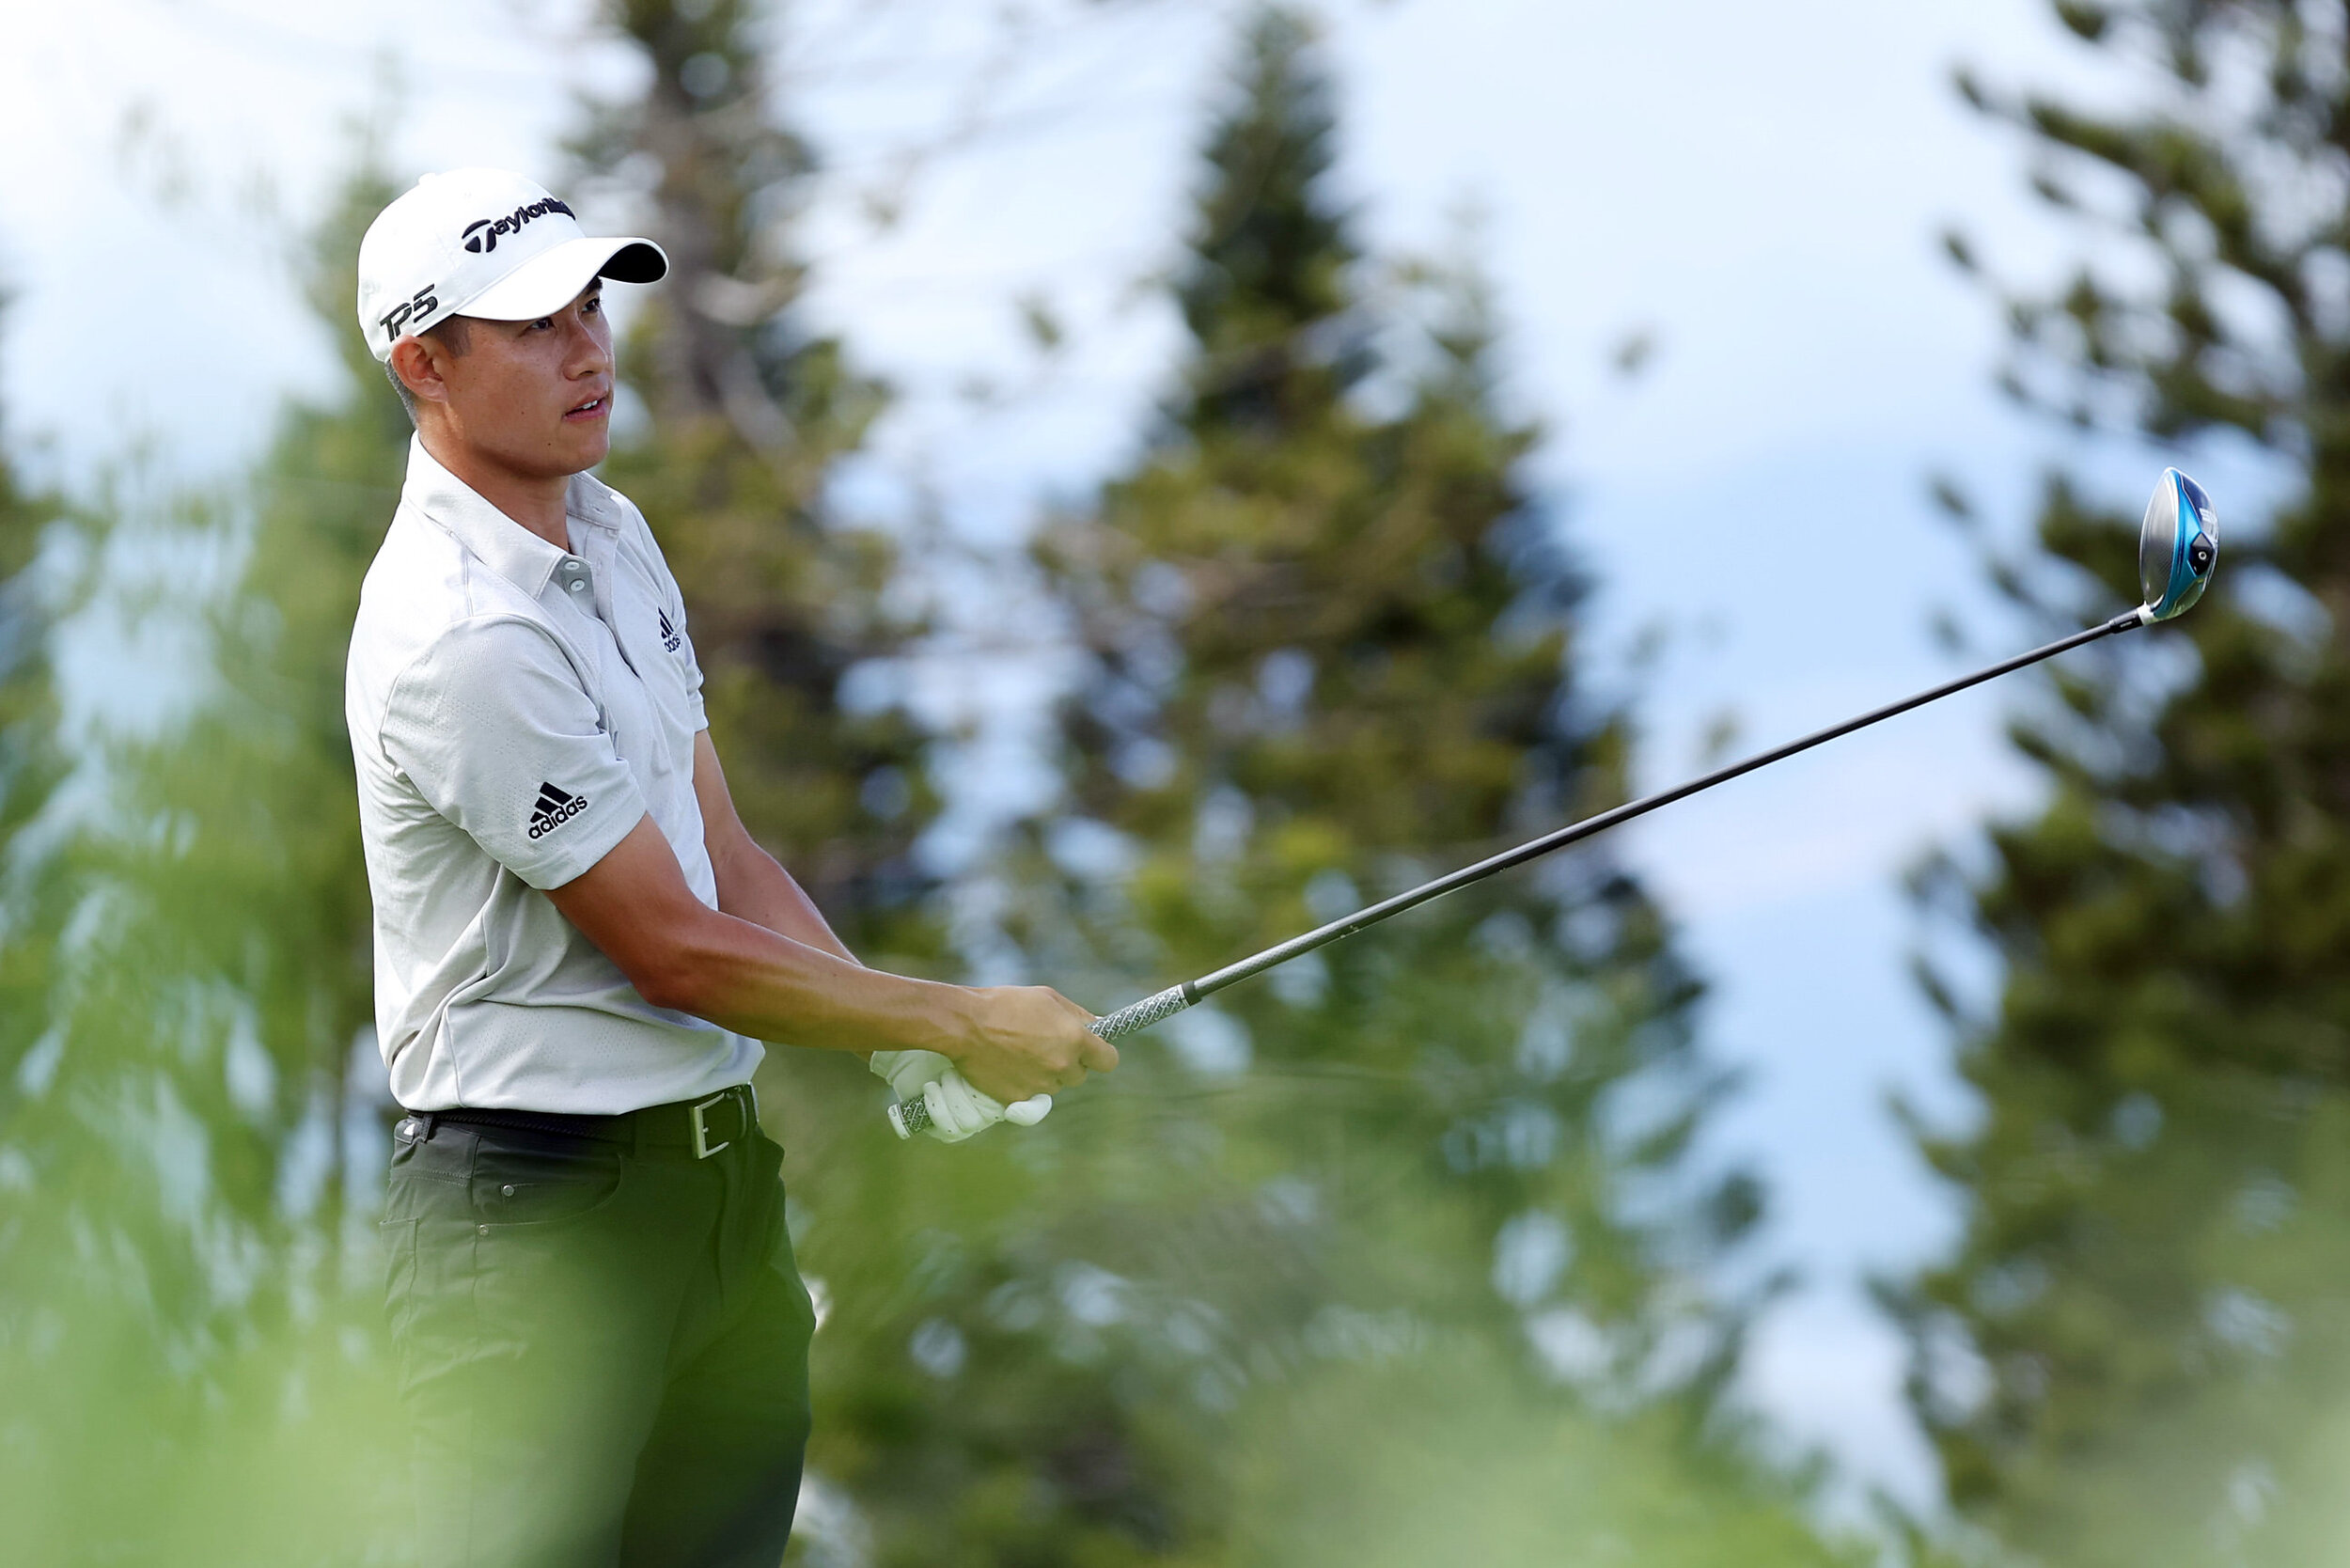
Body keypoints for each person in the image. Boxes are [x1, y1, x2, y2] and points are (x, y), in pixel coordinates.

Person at [346, 167, 1115, 1568]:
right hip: (532, 1233)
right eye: (533, 327)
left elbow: (724, 856)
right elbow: (672, 949)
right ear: (424, 362)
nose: (589, 348)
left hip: (721, 1206)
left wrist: (891, 1045)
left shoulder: (614, 534)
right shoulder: (458, 635)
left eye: (591, 305)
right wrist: (959, 1018)